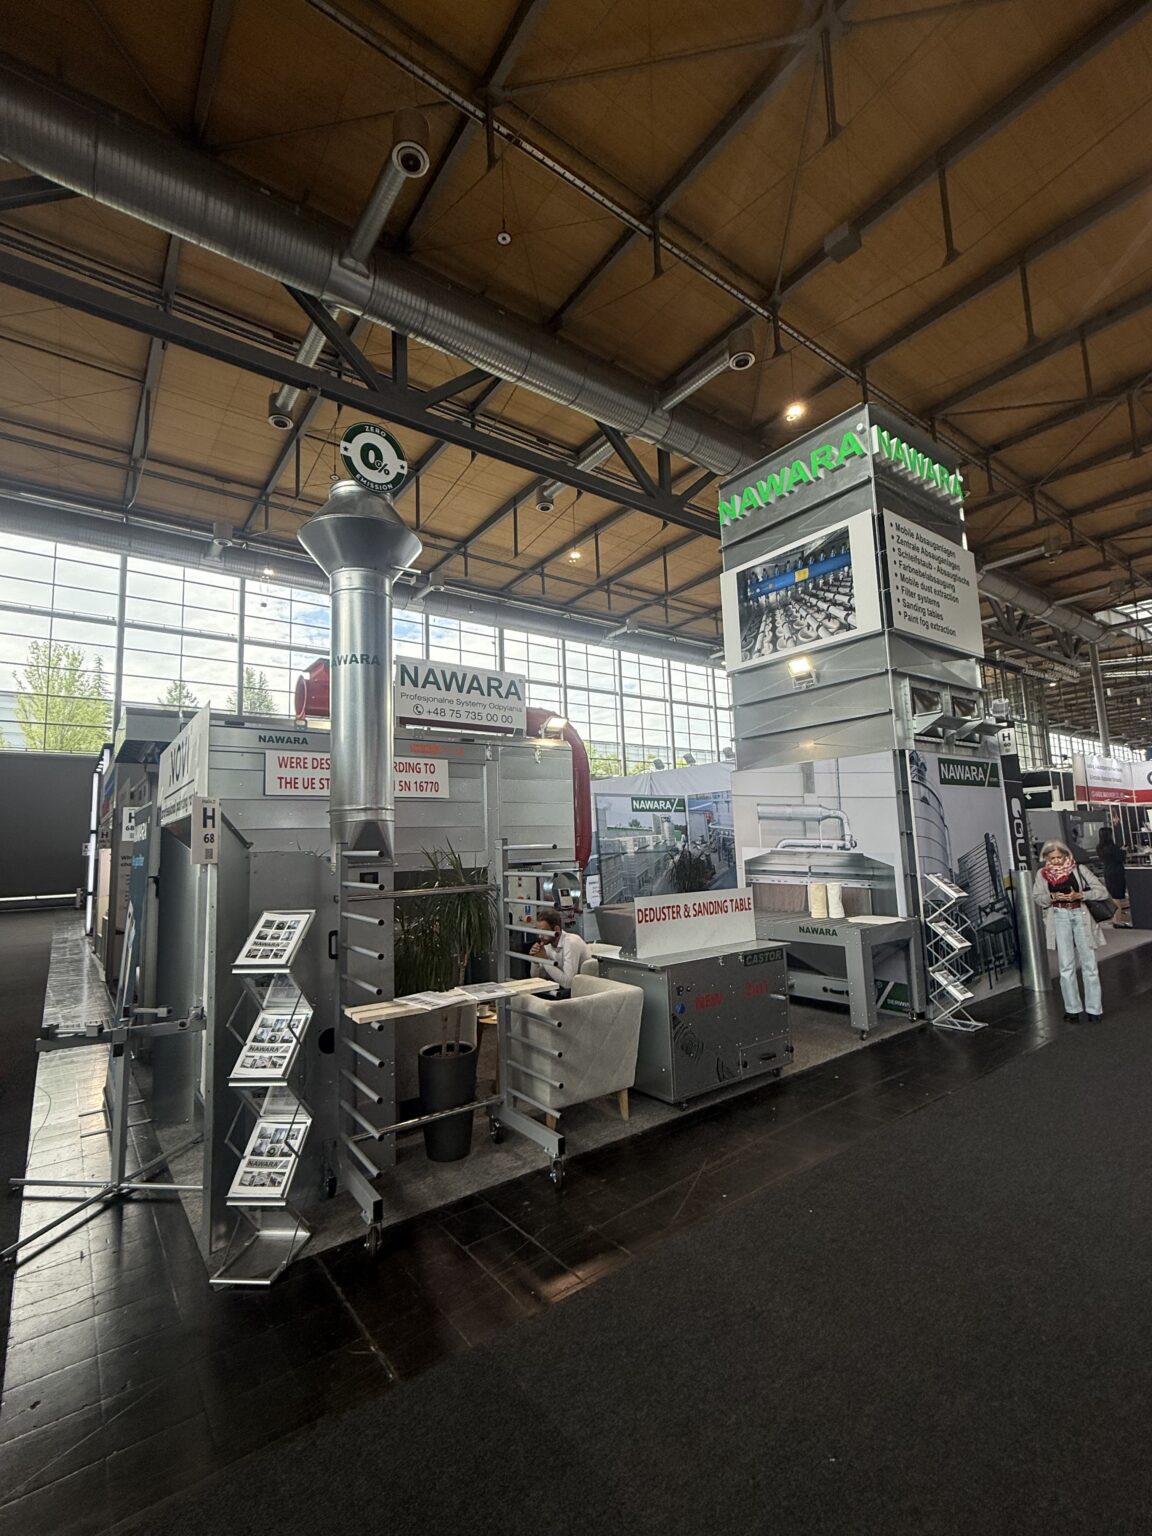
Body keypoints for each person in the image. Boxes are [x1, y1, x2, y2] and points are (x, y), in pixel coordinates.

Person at [1032, 840, 1108, 1022]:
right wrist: (1052, 896)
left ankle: (1094, 1009)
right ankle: (1072, 1009)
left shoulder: (1079, 869)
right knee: (1066, 965)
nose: (1056, 861)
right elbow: (1037, 897)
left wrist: (1080, 895)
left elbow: (1102, 891)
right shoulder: (1042, 874)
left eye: (1060, 857)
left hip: (1080, 914)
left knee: (1089, 963)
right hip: (1059, 915)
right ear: (1046, 858)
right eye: (1052, 858)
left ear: (1066, 855)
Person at [528, 908, 591, 998]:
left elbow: (568, 984)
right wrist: (535, 961)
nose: (540, 936)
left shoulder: (571, 943)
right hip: (561, 989)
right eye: (538, 932)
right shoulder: (547, 942)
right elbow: (537, 979)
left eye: (544, 932)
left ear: (556, 929)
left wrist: (545, 960)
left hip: (581, 992)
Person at [1096, 826, 1132, 927]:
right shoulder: (1112, 847)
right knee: (1117, 897)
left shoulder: (1099, 848)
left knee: (1113, 896)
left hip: (1108, 872)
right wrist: (1123, 851)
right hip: (1117, 872)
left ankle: (1115, 919)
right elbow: (1120, 858)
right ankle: (1117, 920)